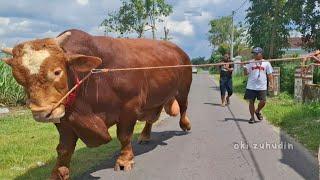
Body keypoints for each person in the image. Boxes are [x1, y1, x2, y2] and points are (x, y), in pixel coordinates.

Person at [243, 47, 274, 124]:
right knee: (251, 102)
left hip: (262, 86)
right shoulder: (250, 62)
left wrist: (272, 84)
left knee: (263, 101)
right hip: (251, 86)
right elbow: (245, 74)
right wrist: (244, 68)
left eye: (257, 53)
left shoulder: (266, 63)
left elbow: (270, 74)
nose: (255, 55)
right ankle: (252, 117)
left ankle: (257, 111)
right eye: (254, 53)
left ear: (261, 54)